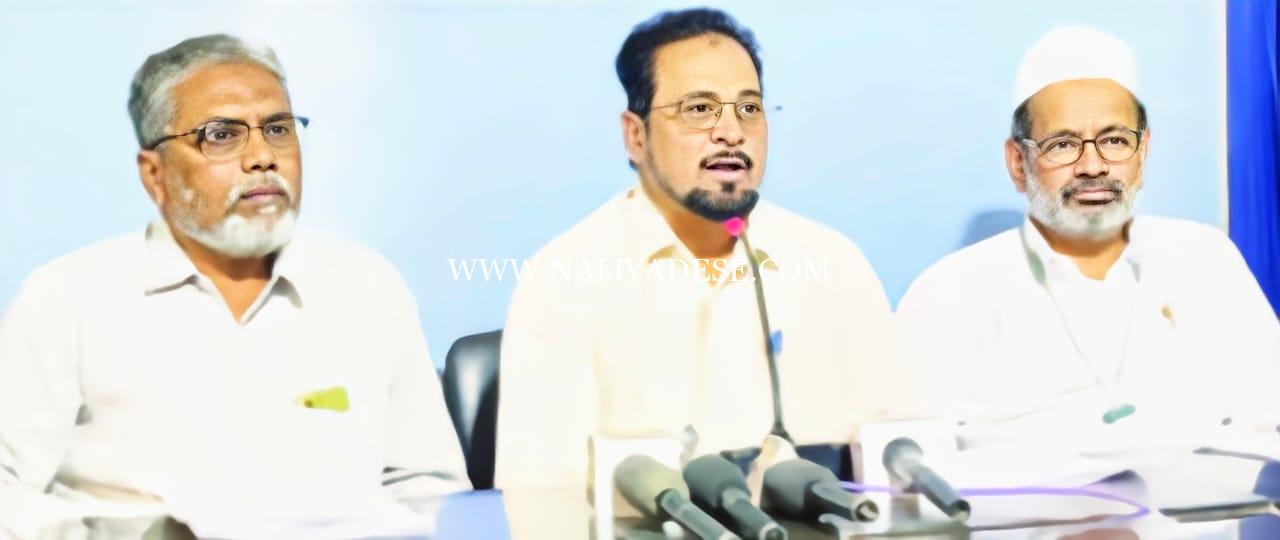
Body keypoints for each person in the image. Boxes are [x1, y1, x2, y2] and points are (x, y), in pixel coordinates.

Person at [0, 34, 468, 539]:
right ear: (155, 174)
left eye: (278, 129)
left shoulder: (367, 287)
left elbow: (428, 488)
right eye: (221, 135)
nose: (263, 156)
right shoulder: (67, 299)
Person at [495, 8, 902, 493]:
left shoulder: (833, 264)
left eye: (748, 109)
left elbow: (895, 466)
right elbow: (538, 498)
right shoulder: (564, 279)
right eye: (699, 109)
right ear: (636, 136)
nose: (731, 132)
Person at [896, 26, 1280, 462]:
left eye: (1115, 141)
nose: (1093, 166)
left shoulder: (1205, 259)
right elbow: (906, 461)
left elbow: (1270, 413)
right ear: (1018, 163)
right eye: (1063, 145)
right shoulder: (950, 292)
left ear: (1143, 152)